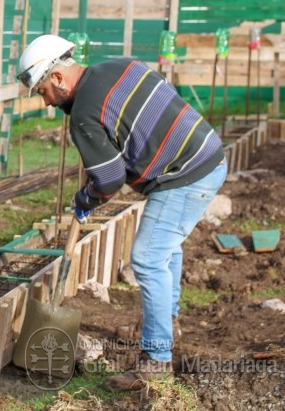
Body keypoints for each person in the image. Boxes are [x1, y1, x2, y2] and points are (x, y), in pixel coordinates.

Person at [17, 35, 226, 391]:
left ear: (58, 78)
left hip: (185, 175)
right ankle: (166, 323)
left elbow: (110, 179)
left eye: (43, 92)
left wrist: (87, 198)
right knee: (165, 249)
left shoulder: (83, 114)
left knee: (147, 258)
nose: (47, 102)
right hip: (207, 154)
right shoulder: (120, 65)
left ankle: (156, 359)